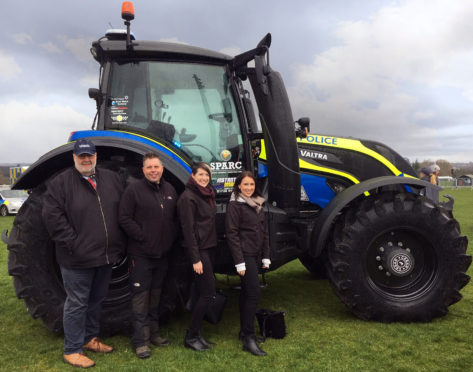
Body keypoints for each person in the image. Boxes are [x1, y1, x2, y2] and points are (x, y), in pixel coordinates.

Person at [42, 138, 125, 368]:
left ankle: (89, 338)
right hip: (76, 258)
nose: (86, 160)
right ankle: (72, 349)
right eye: (81, 156)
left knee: (96, 300)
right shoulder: (60, 183)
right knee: (77, 302)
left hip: (106, 256)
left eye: (90, 156)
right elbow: (53, 218)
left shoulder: (111, 179)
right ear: (74, 158)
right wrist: (74, 244)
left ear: (96, 156)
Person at [118, 152, 178, 358]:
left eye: (156, 167)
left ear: (162, 169)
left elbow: (173, 219)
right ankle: (140, 341)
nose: (153, 170)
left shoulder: (169, 189)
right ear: (143, 170)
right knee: (141, 299)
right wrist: (142, 236)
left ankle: (154, 334)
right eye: (149, 167)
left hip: (162, 255)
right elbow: (124, 218)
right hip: (141, 255)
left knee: (155, 297)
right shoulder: (134, 190)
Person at [225, 171, 270, 357]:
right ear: (238, 186)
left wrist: (266, 257)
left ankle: (244, 332)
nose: (249, 188)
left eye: (251, 185)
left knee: (246, 293)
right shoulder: (235, 205)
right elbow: (232, 234)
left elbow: (264, 232)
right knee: (253, 293)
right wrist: (239, 262)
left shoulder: (257, 203)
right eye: (245, 185)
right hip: (245, 256)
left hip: (256, 254)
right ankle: (249, 338)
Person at [177, 162, 217, 351]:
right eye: (200, 174)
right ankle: (191, 335)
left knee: (202, 292)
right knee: (208, 293)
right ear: (193, 176)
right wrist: (195, 259)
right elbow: (188, 230)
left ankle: (197, 333)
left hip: (207, 248)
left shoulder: (206, 194)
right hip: (198, 251)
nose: (204, 178)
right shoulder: (188, 197)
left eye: (207, 175)